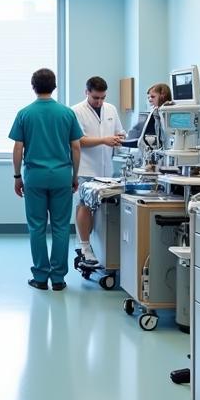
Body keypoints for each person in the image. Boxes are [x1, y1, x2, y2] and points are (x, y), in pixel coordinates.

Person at [9, 68, 83, 291]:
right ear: (54, 86)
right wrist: (75, 175)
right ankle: (58, 279)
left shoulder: (25, 113)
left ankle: (40, 276)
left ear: (33, 86)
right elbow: (76, 147)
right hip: (61, 176)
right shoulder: (67, 113)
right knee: (61, 227)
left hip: (35, 177)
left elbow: (18, 148)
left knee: (37, 227)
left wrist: (16, 176)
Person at [72, 75, 126, 268]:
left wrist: (120, 138)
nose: (99, 101)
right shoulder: (76, 111)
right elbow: (77, 141)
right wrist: (104, 140)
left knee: (102, 210)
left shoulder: (110, 109)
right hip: (85, 168)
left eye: (102, 97)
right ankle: (84, 246)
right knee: (84, 206)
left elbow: (119, 132)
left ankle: (98, 248)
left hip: (106, 170)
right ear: (87, 92)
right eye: (96, 97)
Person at [122, 82, 172, 149]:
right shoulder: (155, 114)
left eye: (153, 97)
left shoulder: (168, 112)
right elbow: (144, 140)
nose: (150, 100)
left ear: (163, 96)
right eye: (148, 97)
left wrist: (122, 142)